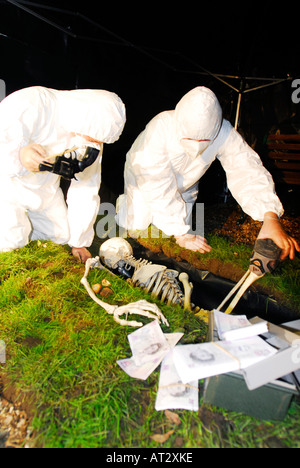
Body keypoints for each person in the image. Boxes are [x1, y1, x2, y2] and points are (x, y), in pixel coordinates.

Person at [117, 86, 299, 260]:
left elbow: (246, 168)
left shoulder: (223, 131)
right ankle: (124, 213)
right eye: (189, 139)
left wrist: (270, 216)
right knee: (137, 223)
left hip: (188, 182)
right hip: (143, 176)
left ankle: (174, 230)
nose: (196, 146)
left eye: (204, 140)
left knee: (177, 231)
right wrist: (179, 232)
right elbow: (155, 183)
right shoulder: (160, 127)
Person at [0, 86, 126, 263]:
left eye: (97, 141)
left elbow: (86, 187)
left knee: (59, 236)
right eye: (92, 139)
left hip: (45, 189)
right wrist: (19, 156)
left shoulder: (91, 135)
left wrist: (79, 242)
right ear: (84, 118)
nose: (93, 143)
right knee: (11, 242)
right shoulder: (33, 103)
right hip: (7, 187)